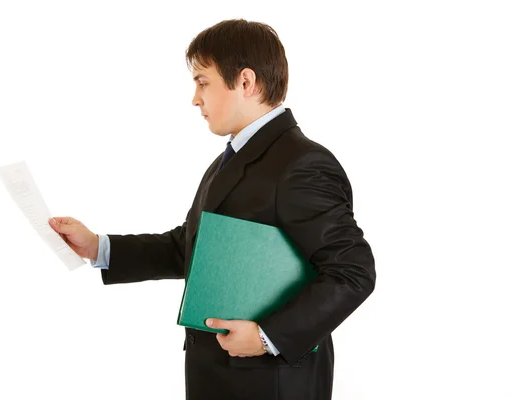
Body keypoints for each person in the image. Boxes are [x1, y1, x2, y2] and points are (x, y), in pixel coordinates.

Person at [49, 18, 375, 400]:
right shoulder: (233, 159)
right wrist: (99, 247)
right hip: (221, 379)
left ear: (246, 82)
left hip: (270, 384)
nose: (195, 98)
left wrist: (267, 337)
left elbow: (353, 272)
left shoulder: (301, 164)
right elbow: (190, 247)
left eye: (203, 82)